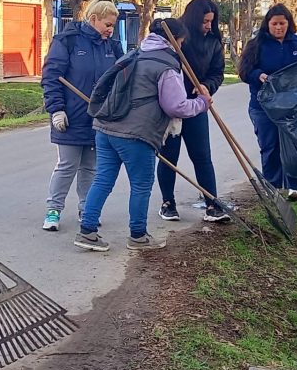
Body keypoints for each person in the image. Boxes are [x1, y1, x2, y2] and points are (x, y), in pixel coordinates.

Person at [75, 18, 212, 252]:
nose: (182, 45)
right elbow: (176, 107)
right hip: (136, 135)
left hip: (105, 128)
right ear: (174, 41)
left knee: (102, 180)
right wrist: (201, 103)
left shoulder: (133, 54)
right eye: (180, 41)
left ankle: (87, 231)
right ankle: (138, 236)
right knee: (141, 184)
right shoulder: (167, 65)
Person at [39, 0, 123, 231]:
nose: (110, 30)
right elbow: (51, 77)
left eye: (112, 26)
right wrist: (56, 110)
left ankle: (87, 210)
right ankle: (53, 210)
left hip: (99, 119)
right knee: (67, 165)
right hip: (70, 117)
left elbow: (121, 80)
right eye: (107, 25)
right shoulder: (68, 41)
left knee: (90, 167)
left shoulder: (113, 47)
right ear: (94, 19)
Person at [156, 0, 230, 223]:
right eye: (205, 21)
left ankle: (212, 203)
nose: (209, 26)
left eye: (212, 21)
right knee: (170, 156)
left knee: (202, 155)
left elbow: (217, 73)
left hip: (197, 105)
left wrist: (207, 86)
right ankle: (168, 203)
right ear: (194, 18)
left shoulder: (214, 42)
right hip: (172, 108)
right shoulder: (176, 37)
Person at [237, 4, 297, 201]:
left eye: (282, 23)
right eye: (274, 24)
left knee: (294, 144)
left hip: (294, 107)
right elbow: (244, 71)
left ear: (289, 23)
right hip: (263, 107)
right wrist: (258, 75)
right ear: (268, 24)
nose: (279, 27)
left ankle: (295, 186)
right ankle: (272, 186)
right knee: (270, 145)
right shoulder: (256, 45)